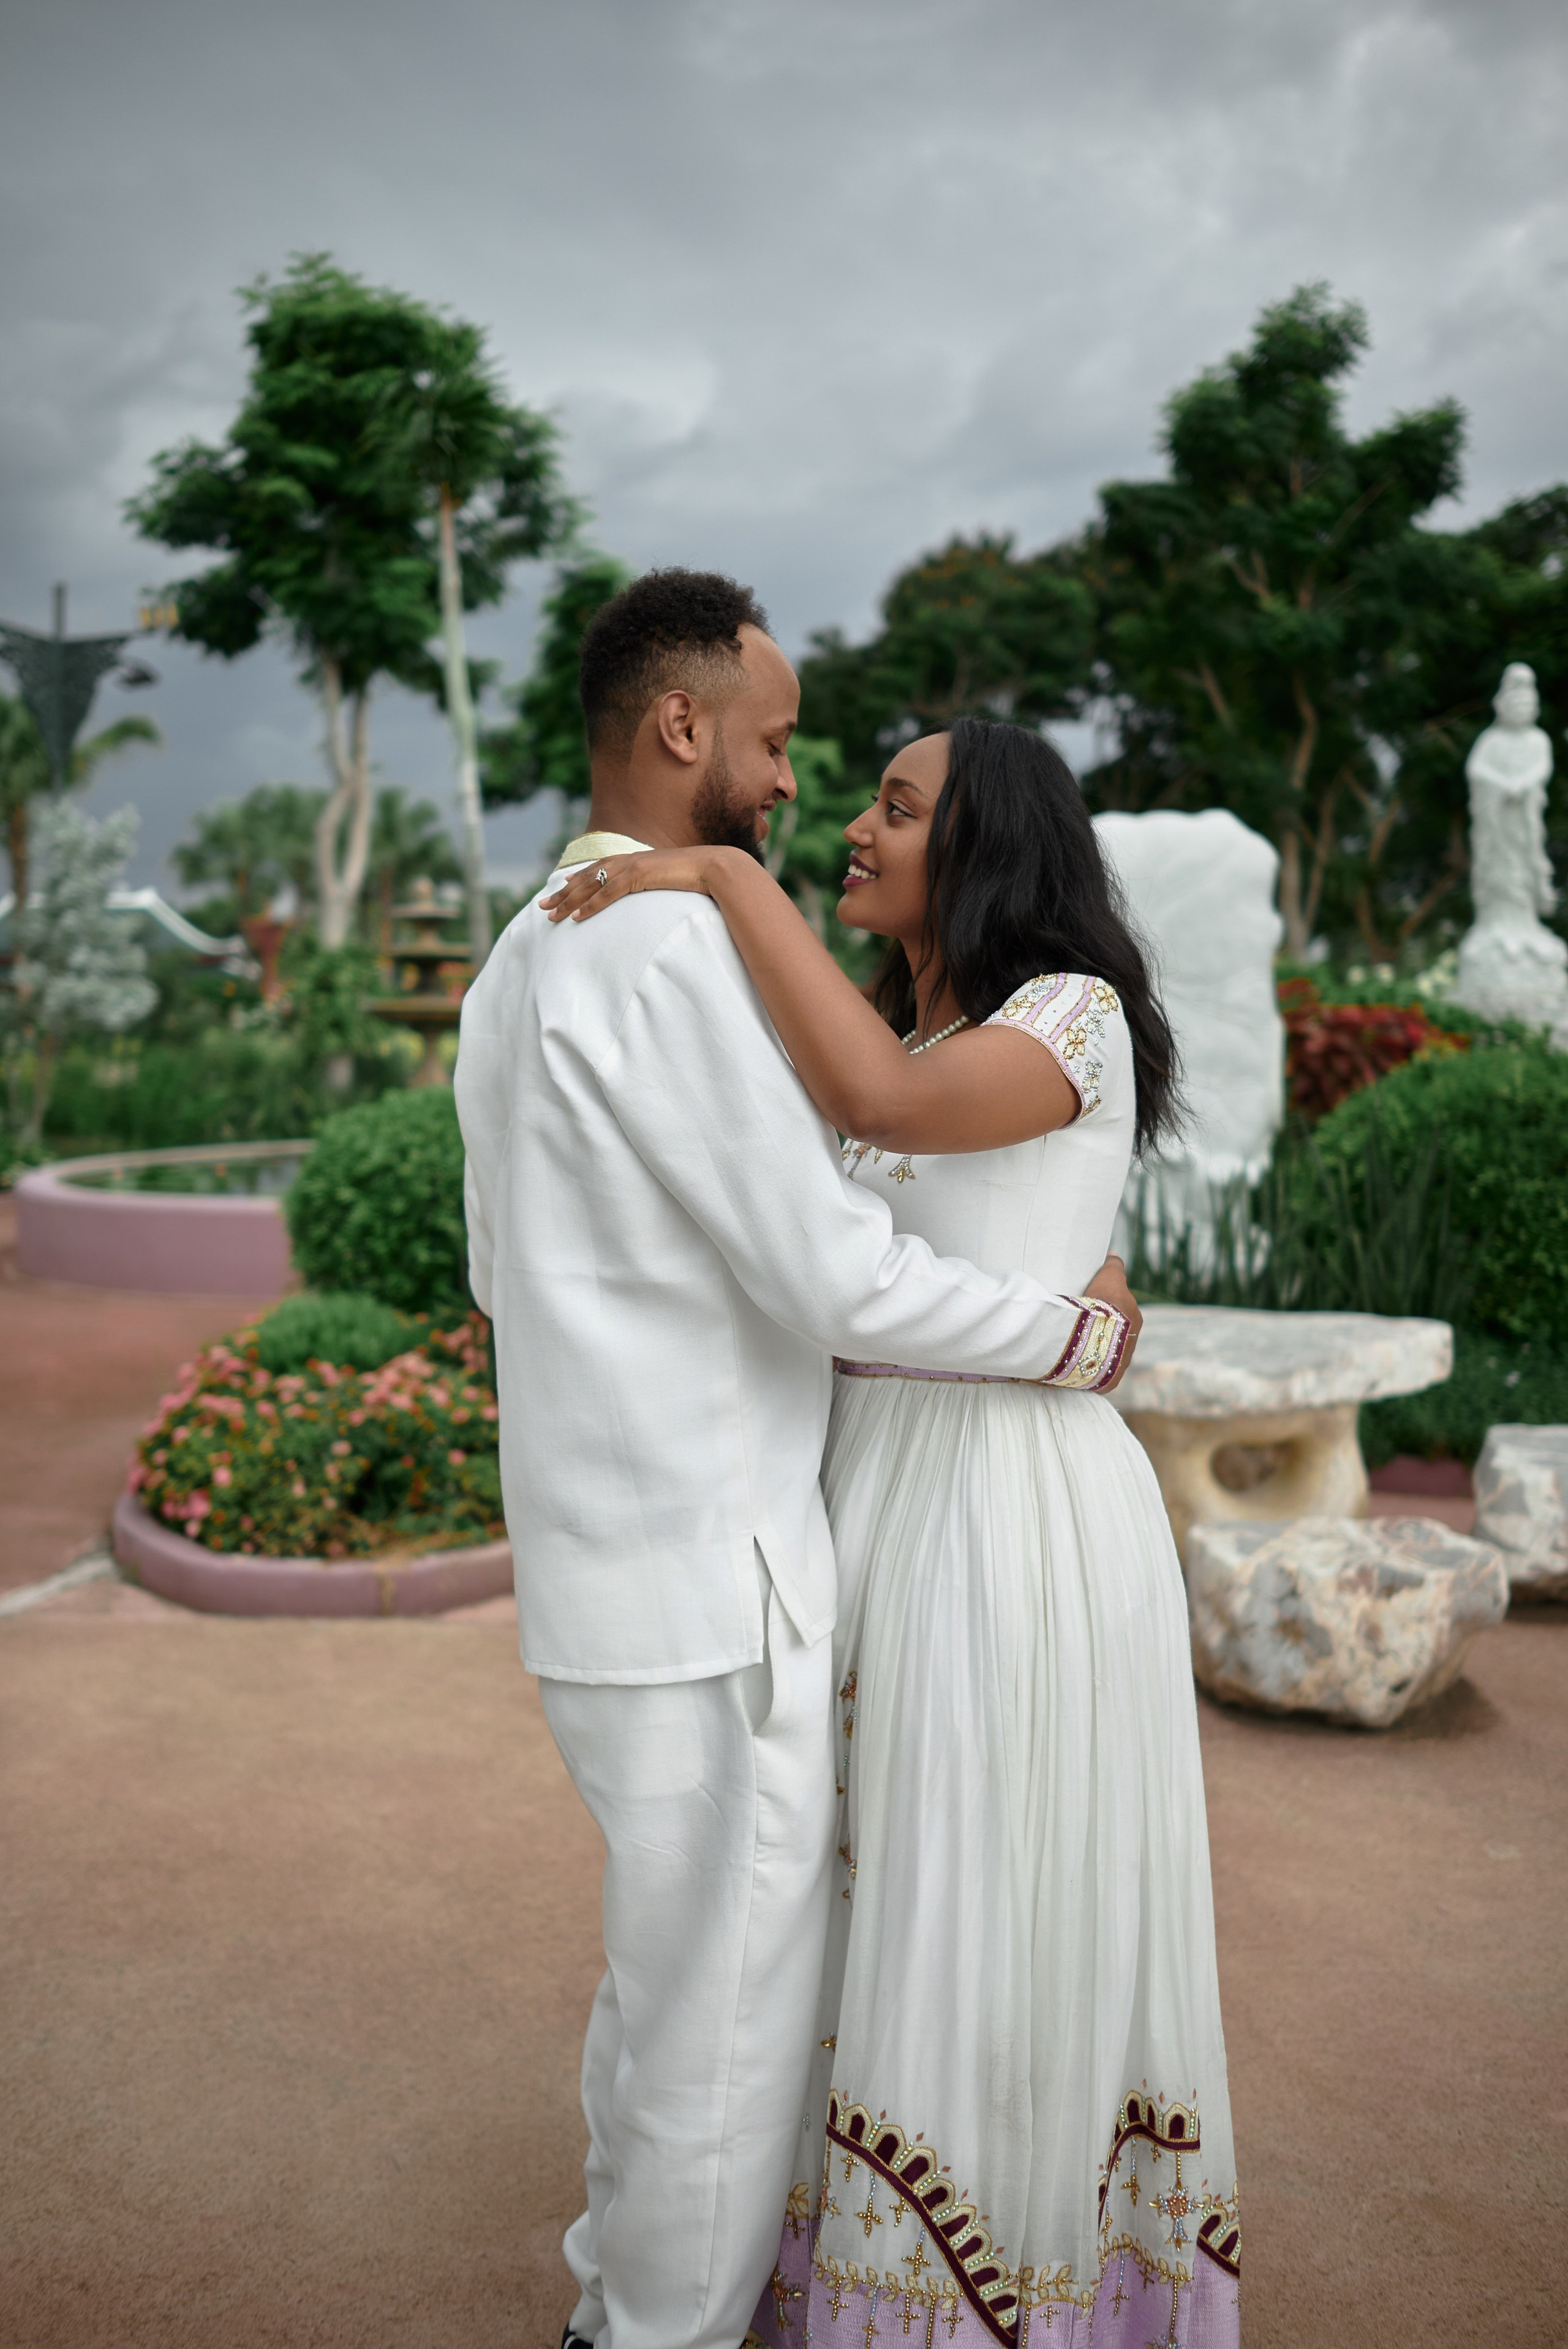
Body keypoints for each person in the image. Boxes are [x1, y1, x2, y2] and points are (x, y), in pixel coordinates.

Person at [454, 571, 1142, 2349]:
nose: (789, 786)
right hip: (718, 1559)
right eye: (769, 743)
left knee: (661, 1981)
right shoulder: (672, 936)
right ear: (680, 725)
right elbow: (833, 1269)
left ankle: (613, 2296)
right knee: (726, 2013)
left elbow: (493, 1269)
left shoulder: (526, 944)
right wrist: (1077, 1335)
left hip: (601, 1565)